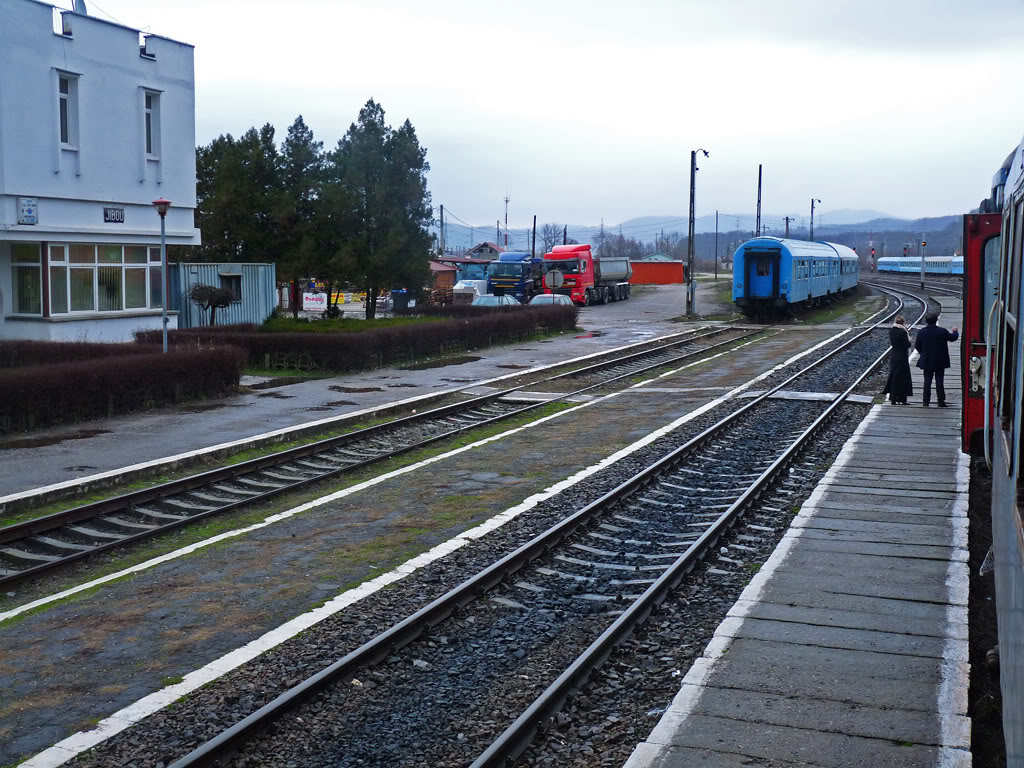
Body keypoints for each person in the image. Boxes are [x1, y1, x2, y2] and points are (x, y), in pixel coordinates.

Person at [914, 312, 959, 408]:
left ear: (926, 321)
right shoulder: (942, 331)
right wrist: (955, 331)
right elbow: (952, 338)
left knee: (927, 382)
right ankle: (941, 401)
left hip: (927, 360)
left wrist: (924, 354)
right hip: (940, 361)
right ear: (936, 321)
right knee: (939, 381)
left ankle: (926, 402)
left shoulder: (922, 332)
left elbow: (917, 345)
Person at [883, 315, 913, 404]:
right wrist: (909, 343)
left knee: (894, 376)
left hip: (894, 355)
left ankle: (893, 398)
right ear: (903, 322)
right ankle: (902, 399)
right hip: (902, 356)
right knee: (903, 377)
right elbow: (907, 345)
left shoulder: (891, 331)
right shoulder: (903, 332)